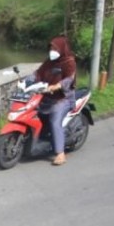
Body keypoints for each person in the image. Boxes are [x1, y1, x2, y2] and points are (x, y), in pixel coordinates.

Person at [31, 35, 77, 166]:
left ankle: (60, 154)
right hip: (46, 96)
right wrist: (26, 81)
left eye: (55, 49)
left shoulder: (69, 62)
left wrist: (57, 86)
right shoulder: (49, 62)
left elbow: (69, 79)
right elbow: (37, 74)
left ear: (62, 49)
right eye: (51, 48)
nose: (52, 51)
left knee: (54, 120)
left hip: (63, 98)